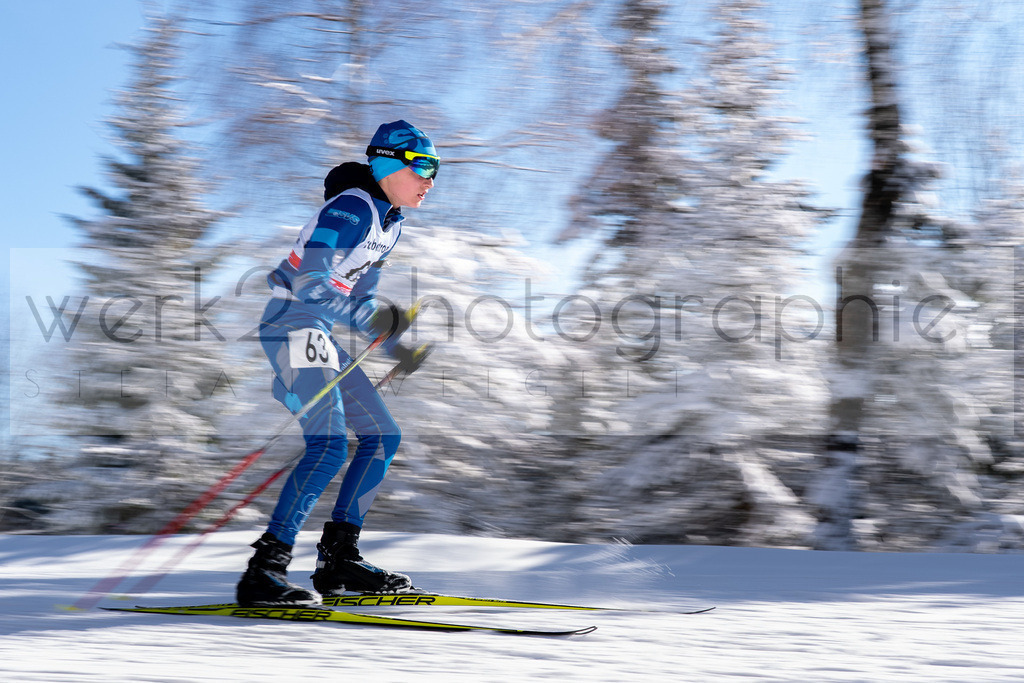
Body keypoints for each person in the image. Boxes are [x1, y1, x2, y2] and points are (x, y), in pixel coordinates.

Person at [236, 120, 438, 606]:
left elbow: (361, 299)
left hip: (318, 331)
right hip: (291, 325)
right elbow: (311, 284)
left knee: (382, 435)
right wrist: (374, 321)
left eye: (437, 171)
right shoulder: (352, 208)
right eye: (425, 167)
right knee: (327, 445)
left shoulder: (390, 224)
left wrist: (396, 345)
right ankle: (265, 571)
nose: (431, 181)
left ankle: (340, 558)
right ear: (390, 163)